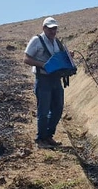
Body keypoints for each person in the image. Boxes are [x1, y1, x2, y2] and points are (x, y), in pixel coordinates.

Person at [23, 17, 73, 149]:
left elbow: (60, 58)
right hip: (43, 79)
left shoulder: (57, 42)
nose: (53, 31)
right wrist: (43, 65)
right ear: (44, 28)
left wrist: (69, 56)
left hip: (56, 79)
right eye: (50, 28)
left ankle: (48, 135)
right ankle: (41, 138)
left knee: (58, 108)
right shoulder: (36, 40)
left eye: (54, 28)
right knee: (43, 110)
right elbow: (26, 59)